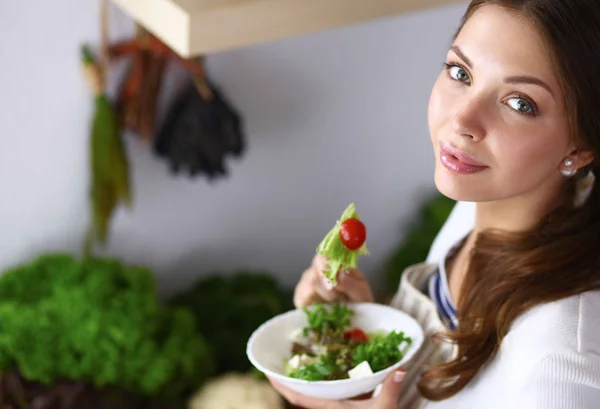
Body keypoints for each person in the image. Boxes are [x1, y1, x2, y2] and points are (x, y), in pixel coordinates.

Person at [267, 0, 600, 408]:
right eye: (460, 73)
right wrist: (365, 329)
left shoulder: (560, 365)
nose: (462, 121)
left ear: (582, 148)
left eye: (519, 103)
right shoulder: (478, 207)